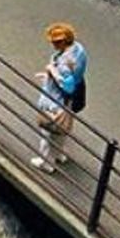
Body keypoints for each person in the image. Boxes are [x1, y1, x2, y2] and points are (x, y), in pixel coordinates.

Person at [30, 23, 89, 172]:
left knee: (49, 131)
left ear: (63, 41)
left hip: (56, 99)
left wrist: (52, 71)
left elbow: (67, 85)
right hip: (70, 99)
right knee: (62, 128)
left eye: (55, 42)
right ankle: (59, 154)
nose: (53, 45)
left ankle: (46, 163)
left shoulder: (63, 63)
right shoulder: (79, 50)